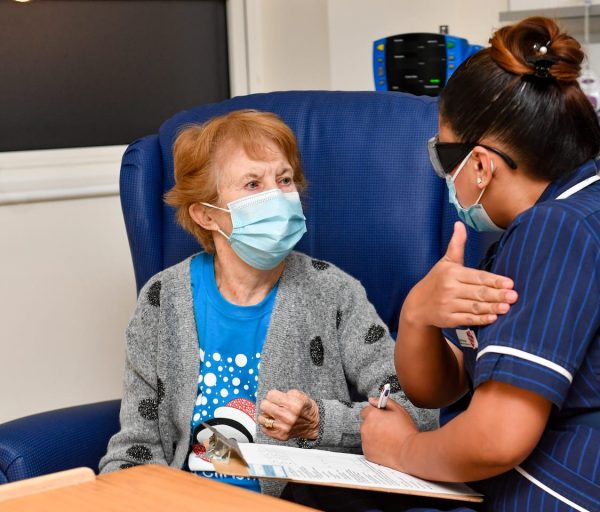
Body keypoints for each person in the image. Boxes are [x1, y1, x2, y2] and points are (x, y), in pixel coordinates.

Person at [361, 17, 600, 511]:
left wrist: (401, 449)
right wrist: (417, 313)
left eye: (444, 156)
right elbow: (442, 388)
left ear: (480, 165)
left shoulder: (555, 233)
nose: (444, 175)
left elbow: (496, 438)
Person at [98, 109, 442, 498]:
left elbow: (418, 411)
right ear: (206, 214)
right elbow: (136, 446)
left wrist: (321, 422)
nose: (277, 197)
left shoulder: (333, 292)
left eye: (284, 180)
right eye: (253, 184)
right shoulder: (162, 299)